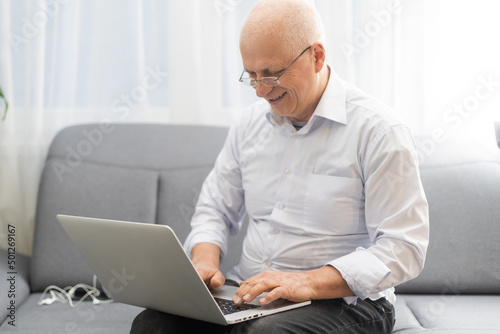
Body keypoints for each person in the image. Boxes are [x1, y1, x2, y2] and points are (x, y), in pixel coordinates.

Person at [131, 0, 429, 332]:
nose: (260, 91)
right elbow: (214, 209)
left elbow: (405, 248)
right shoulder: (249, 126)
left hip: (347, 303)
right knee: (153, 324)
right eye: (252, 76)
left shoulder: (378, 131)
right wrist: (203, 262)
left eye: (271, 74)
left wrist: (308, 282)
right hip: (253, 294)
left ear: (317, 56)